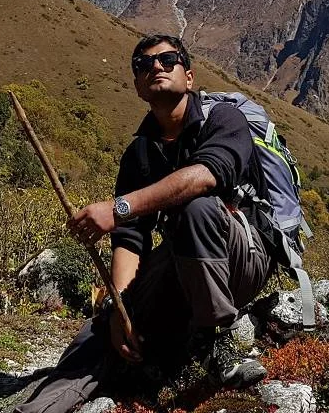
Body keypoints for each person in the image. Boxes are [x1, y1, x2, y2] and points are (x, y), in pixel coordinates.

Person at [15, 35, 275, 413]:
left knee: (196, 207)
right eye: (143, 64)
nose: (156, 66)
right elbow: (131, 238)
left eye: (168, 60)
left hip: (242, 259)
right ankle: (38, 408)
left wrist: (118, 207)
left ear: (189, 77)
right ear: (138, 86)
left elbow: (204, 176)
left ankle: (218, 341)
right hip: (186, 263)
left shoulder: (224, 119)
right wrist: (123, 310)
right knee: (102, 333)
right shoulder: (139, 153)